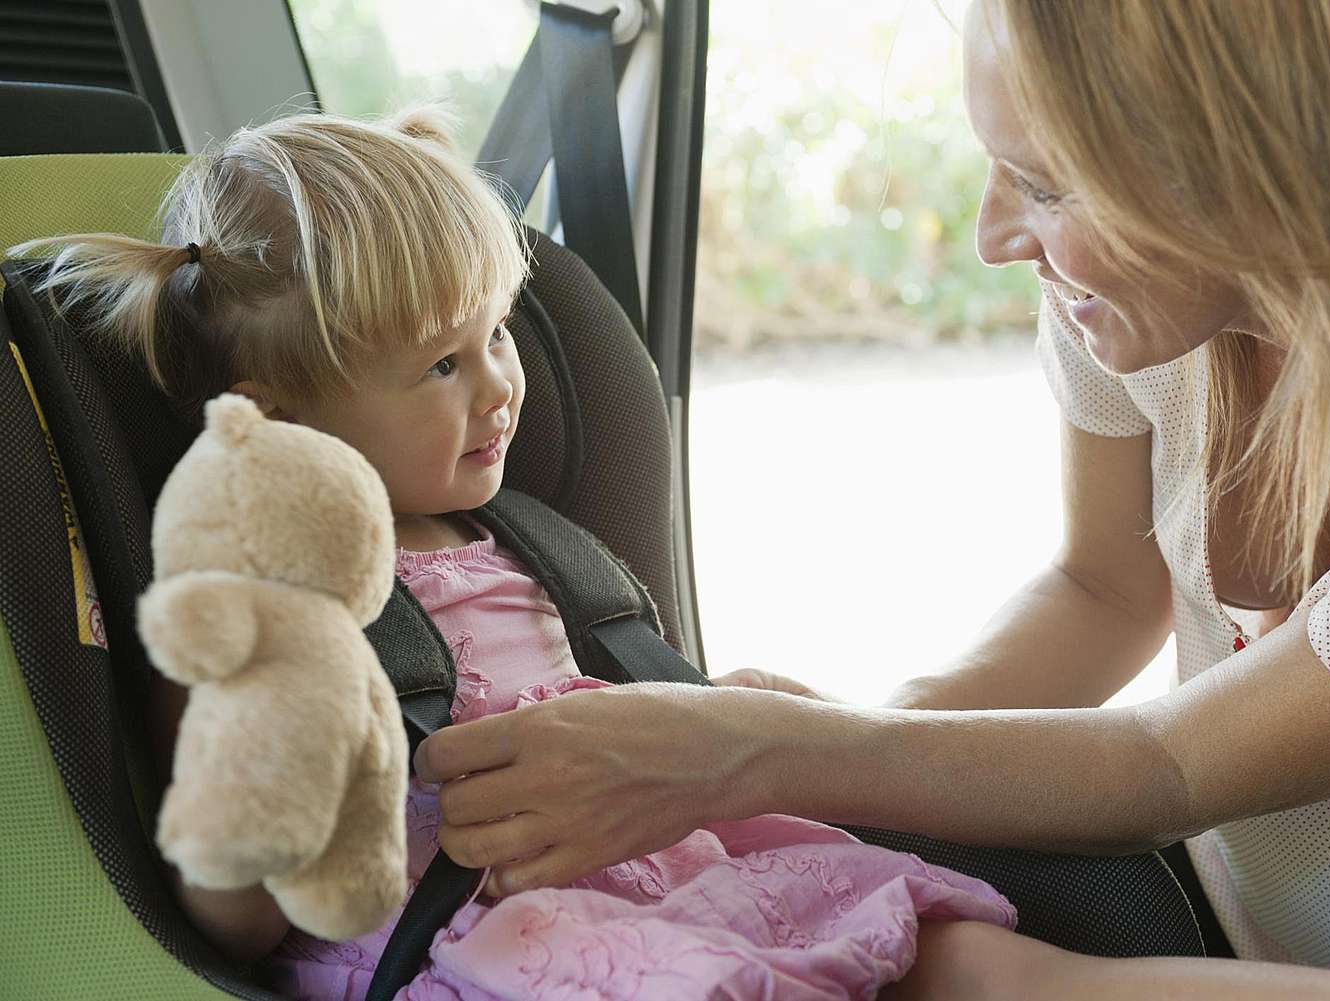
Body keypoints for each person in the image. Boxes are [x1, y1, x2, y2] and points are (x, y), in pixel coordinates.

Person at [408, 2, 1330, 997]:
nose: (992, 236)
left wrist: (770, 745)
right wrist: (851, 737)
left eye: (1047, 185)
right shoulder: (1142, 306)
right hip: (1232, 916)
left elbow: (1168, 763)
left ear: (1257, 173)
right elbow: (1104, 587)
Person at [11, 109, 1017, 999]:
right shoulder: (263, 608)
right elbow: (234, 923)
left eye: (497, 331)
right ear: (282, 414)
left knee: (961, 953)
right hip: (475, 936)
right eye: (442, 364)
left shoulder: (539, 544)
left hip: (666, 865)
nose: (497, 386)